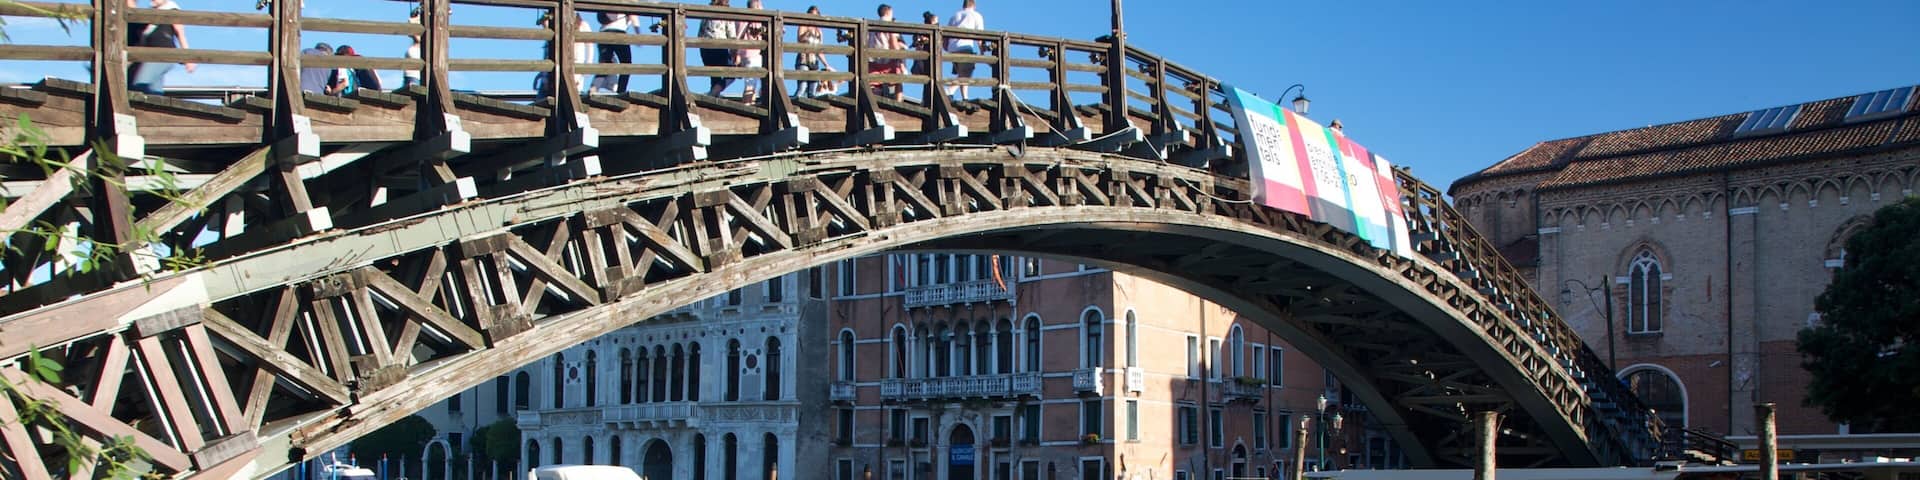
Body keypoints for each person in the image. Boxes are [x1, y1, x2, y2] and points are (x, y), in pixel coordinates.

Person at [129, 0, 194, 95]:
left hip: (164, 55)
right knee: (155, 91)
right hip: (151, 56)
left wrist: (188, 58)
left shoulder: (171, 10)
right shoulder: (151, 13)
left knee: (140, 84)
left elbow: (180, 34)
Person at [792, 6, 838, 98]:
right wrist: (807, 32)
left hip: (814, 61)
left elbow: (819, 50)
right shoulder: (803, 26)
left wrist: (826, 64)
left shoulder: (819, 31)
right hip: (803, 59)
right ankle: (792, 106)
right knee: (802, 86)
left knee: (812, 89)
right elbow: (799, 39)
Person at [944, 0, 984, 100]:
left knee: (962, 73)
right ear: (974, 5)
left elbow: (945, 36)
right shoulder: (976, 15)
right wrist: (982, 51)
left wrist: (947, 48)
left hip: (952, 47)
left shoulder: (955, 16)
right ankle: (950, 90)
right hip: (965, 46)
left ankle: (965, 97)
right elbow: (980, 36)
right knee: (967, 73)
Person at [866, 4, 906, 101]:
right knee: (899, 79)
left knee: (873, 84)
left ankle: (874, 103)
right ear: (888, 12)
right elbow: (893, 44)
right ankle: (898, 104)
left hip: (873, 60)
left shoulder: (870, 26)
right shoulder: (889, 24)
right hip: (887, 60)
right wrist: (900, 54)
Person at [698, 0, 737, 97]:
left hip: (705, 49)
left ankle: (714, 94)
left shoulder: (707, 11)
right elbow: (732, 36)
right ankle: (714, 92)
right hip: (719, 47)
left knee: (714, 75)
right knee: (734, 73)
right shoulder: (727, 13)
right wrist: (734, 52)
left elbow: (700, 33)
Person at [734, 0, 767, 103]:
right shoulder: (747, 18)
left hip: (753, 54)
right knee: (751, 83)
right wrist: (737, 53)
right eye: (760, 5)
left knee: (753, 83)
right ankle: (747, 105)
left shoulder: (758, 19)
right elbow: (738, 36)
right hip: (750, 54)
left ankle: (750, 104)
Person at [591, 11, 632, 93]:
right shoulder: (628, 4)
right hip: (619, 33)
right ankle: (621, 91)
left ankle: (593, 89)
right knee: (626, 64)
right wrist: (638, 31)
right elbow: (634, 19)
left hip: (603, 32)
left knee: (606, 63)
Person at [909, 11, 936, 79]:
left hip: (926, 61)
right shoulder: (923, 32)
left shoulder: (923, 32)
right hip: (923, 61)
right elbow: (916, 43)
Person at [403, 9, 421, 88]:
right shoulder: (417, 43)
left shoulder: (421, 40)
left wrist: (415, 17)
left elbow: (410, 22)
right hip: (409, 78)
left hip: (414, 79)